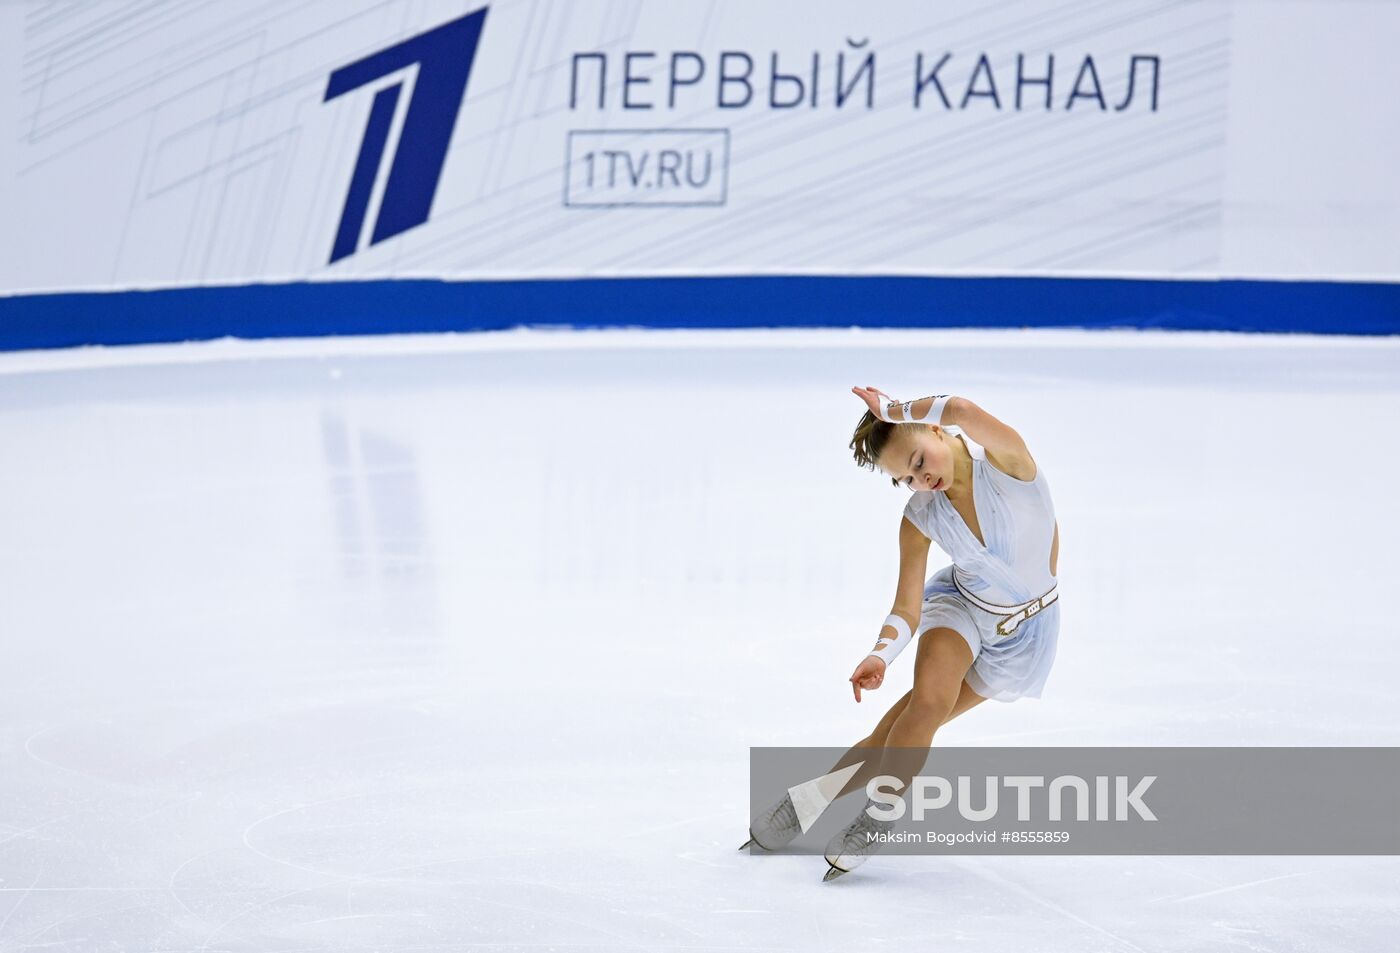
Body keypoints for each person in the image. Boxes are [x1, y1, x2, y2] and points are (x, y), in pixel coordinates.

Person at [742, 387, 1061, 880]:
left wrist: (893, 412)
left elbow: (962, 409)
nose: (920, 478)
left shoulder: (1009, 465)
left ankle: (807, 799)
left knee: (896, 735)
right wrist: (880, 655)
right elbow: (907, 606)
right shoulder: (920, 516)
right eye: (905, 478)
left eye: (918, 460)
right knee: (928, 703)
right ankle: (876, 818)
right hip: (960, 606)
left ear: (936, 429)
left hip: (1024, 636)